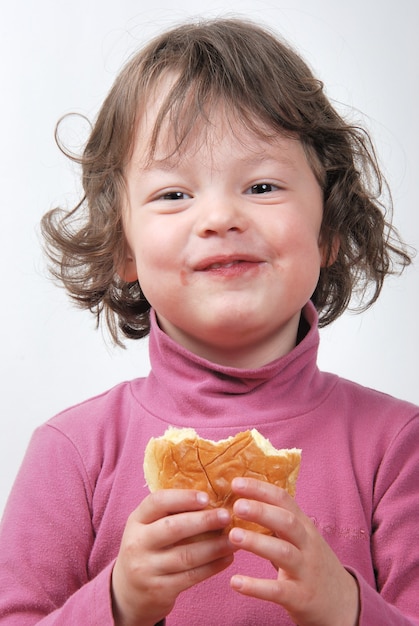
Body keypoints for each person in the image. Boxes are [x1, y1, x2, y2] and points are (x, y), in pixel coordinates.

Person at [0, 17, 417, 626]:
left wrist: (348, 609)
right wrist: (116, 603)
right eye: (173, 194)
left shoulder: (397, 447)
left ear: (328, 228)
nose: (219, 216)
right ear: (123, 248)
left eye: (263, 184)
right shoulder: (72, 454)